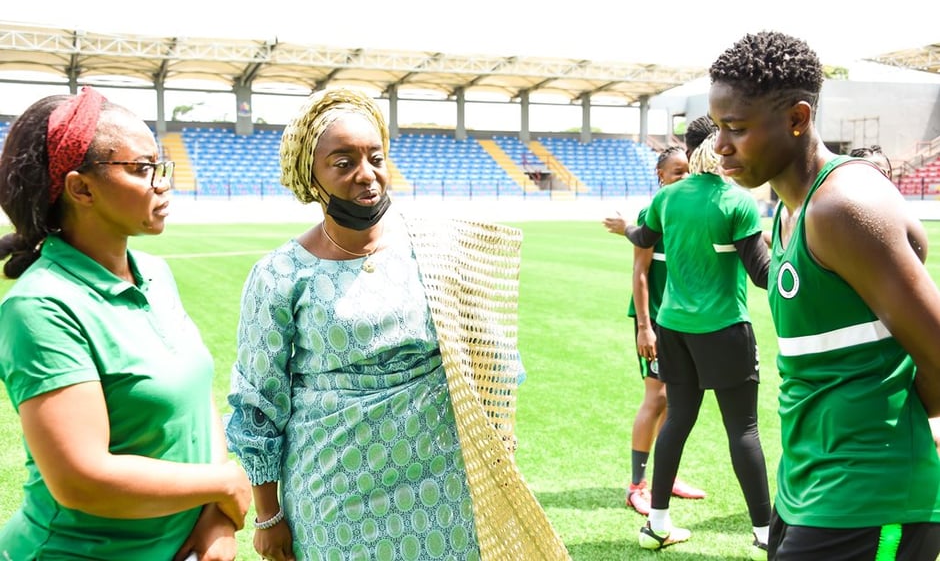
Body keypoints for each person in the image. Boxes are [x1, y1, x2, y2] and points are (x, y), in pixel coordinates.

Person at [225, 87, 569, 561]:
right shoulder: (280, 274)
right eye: (342, 163)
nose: (366, 175)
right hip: (334, 495)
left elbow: (492, 359)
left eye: (375, 158)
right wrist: (268, 515)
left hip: (445, 484)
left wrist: (499, 446)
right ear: (312, 175)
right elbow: (257, 403)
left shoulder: (435, 245)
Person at [708, 30, 940, 560]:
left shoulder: (842, 207)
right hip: (805, 486)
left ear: (797, 118)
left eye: (736, 129)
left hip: (869, 496)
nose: (720, 146)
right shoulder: (790, 211)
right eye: (718, 127)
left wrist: (883, 423)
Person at [0, 87, 252, 560]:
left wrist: (216, 514)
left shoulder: (157, 273)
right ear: (81, 189)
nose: (162, 183)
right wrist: (223, 482)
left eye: (161, 165)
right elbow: (82, 479)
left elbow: (195, 401)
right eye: (142, 169)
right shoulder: (41, 307)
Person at [624, 128, 773, 558]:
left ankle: (657, 525)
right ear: (723, 155)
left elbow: (642, 239)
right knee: (743, 429)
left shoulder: (667, 197)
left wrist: (626, 228)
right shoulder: (736, 201)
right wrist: (792, 247)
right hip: (724, 329)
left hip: (673, 329)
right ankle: (765, 533)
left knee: (678, 420)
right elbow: (763, 275)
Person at [602, 145, 706, 516]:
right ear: (660, 175)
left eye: (689, 171)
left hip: (679, 321)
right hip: (655, 320)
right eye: (677, 172)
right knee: (657, 397)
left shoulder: (686, 210)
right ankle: (636, 486)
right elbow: (640, 273)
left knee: (678, 402)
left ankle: (666, 475)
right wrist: (645, 327)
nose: (685, 177)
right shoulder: (655, 210)